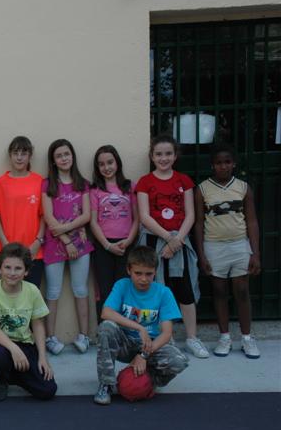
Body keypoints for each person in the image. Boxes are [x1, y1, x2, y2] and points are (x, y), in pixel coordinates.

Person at [135, 135, 207, 358]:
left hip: (180, 242)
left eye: (168, 153)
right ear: (151, 156)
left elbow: (190, 214)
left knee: (183, 289)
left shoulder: (184, 180)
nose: (163, 158)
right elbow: (145, 217)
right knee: (155, 288)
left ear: (175, 156)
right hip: (153, 241)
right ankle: (165, 337)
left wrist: (177, 242)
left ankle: (192, 338)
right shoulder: (145, 182)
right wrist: (168, 238)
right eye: (158, 154)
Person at [93, 246, 189, 405]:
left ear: (155, 272)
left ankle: (147, 380)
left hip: (150, 346)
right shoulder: (122, 285)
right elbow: (106, 313)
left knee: (179, 361)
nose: (143, 279)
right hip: (124, 343)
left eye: (148, 274)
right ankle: (106, 383)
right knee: (106, 327)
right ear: (129, 270)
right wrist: (139, 327)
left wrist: (143, 356)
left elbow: (166, 334)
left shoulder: (164, 293)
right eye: (138, 273)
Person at [194, 144, 261, 359]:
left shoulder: (243, 187)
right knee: (220, 291)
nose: (223, 166)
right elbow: (198, 224)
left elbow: (252, 221)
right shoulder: (202, 189)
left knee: (241, 291)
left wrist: (255, 253)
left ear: (234, 164)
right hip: (213, 246)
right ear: (212, 165)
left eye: (227, 162)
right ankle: (224, 337)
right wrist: (202, 255)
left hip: (240, 245)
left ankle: (247, 338)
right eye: (219, 163)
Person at [0, 243, 56, 402]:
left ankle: (14, 374)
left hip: (25, 343)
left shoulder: (32, 290)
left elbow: (37, 325)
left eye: (18, 268)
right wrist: (14, 350)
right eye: (7, 267)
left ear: (26, 271)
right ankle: (0, 377)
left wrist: (43, 357)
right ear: (0, 269)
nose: (12, 273)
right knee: (0, 355)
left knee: (48, 390)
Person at [41, 139, 93, 355]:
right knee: (53, 292)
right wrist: (66, 239)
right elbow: (49, 218)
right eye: (59, 156)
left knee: (80, 290)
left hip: (80, 244)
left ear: (72, 156)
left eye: (67, 154)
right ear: (53, 161)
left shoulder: (83, 183)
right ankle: (51, 338)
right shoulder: (47, 184)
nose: (64, 158)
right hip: (55, 245)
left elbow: (87, 215)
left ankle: (84, 336)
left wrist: (69, 232)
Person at [89, 145, 139, 318]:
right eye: (101, 164)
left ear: (117, 163)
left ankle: (126, 331)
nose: (106, 167)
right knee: (105, 290)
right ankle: (106, 331)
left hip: (126, 244)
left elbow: (137, 218)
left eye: (110, 162)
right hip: (104, 246)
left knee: (126, 288)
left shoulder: (130, 186)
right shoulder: (95, 190)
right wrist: (108, 245)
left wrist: (128, 241)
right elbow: (93, 222)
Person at [0, 136, 46, 287]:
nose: (19, 157)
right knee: (8, 298)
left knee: (31, 297)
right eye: (16, 153)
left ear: (30, 156)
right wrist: (4, 243)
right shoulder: (0, 183)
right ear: (10, 155)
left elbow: (43, 215)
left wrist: (38, 242)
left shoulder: (39, 181)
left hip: (34, 251)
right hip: (7, 250)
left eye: (24, 153)